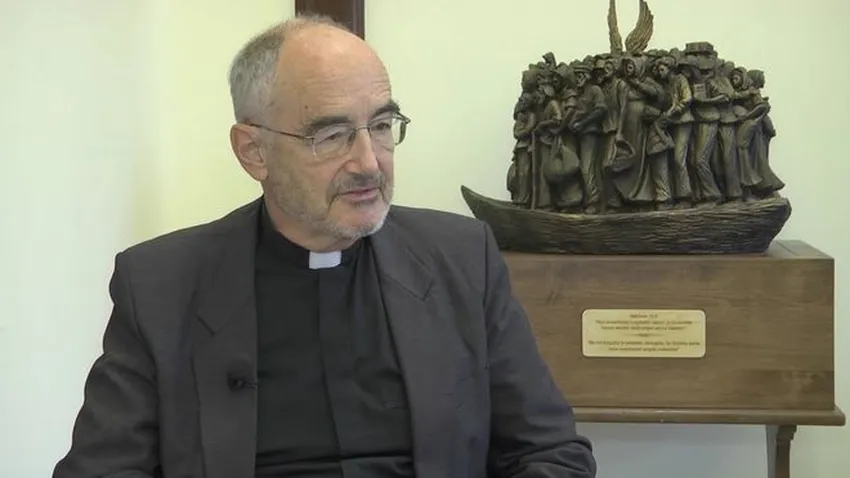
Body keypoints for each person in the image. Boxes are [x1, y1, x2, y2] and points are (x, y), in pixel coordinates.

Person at [53, 14, 596, 478]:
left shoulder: (462, 260)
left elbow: (550, 452)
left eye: (381, 125)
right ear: (253, 152)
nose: (368, 163)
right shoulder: (160, 286)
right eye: (331, 135)